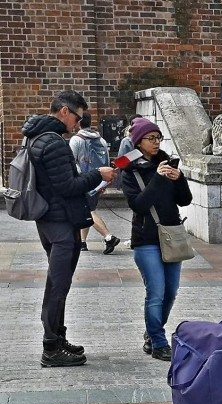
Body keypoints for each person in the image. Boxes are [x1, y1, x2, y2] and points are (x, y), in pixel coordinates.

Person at [24, 90, 117, 367]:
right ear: (64, 111)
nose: (77, 125)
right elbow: (66, 187)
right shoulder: (53, 143)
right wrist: (96, 175)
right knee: (58, 286)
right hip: (60, 222)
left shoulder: (36, 136)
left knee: (57, 283)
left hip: (50, 219)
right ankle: (51, 348)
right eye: (77, 118)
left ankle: (58, 338)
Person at [120, 119, 192, 361]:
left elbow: (185, 200)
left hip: (171, 235)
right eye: (151, 138)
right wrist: (159, 179)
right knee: (156, 292)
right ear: (138, 141)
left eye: (158, 137)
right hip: (146, 238)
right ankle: (159, 342)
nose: (156, 142)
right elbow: (138, 204)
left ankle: (152, 333)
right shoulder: (129, 168)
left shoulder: (167, 162)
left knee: (171, 291)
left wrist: (179, 178)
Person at [68, 112, 121, 254]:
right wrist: (103, 182)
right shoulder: (102, 140)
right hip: (99, 181)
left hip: (83, 181)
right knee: (88, 209)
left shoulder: (76, 140)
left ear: (79, 122)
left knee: (87, 211)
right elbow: (106, 163)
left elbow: (71, 163)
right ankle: (82, 242)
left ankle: (108, 237)